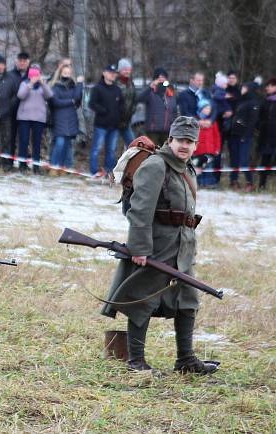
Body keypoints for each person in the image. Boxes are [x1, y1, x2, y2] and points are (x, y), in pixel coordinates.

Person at [102, 116, 218, 376]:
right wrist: (140, 248)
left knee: (188, 300)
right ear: (171, 140)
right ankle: (136, 361)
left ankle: (186, 360)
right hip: (157, 245)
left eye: (190, 142)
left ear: (196, 145)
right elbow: (140, 210)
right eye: (181, 140)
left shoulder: (187, 169)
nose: (185, 146)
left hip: (183, 246)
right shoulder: (156, 165)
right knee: (142, 299)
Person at [16, 64, 53, 174]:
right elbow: (20, 95)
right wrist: (30, 84)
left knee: (37, 143)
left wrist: (42, 83)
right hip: (24, 117)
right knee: (24, 141)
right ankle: (22, 165)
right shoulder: (24, 83)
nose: (35, 76)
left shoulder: (43, 85)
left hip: (39, 118)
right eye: (33, 74)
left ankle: (36, 166)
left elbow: (49, 95)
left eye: (37, 74)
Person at [88, 64, 124, 176]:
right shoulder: (97, 88)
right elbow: (92, 104)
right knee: (96, 149)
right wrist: (104, 110)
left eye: (114, 73)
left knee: (111, 150)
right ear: (104, 73)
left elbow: (122, 104)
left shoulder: (117, 89)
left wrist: (119, 113)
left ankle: (109, 172)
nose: (113, 75)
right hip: (101, 125)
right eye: (110, 73)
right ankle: (94, 172)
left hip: (114, 126)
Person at [48, 64, 83, 172]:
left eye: (68, 73)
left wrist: (80, 84)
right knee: (59, 143)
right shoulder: (55, 86)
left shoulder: (73, 86)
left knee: (68, 145)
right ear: (60, 74)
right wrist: (70, 101)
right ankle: (54, 167)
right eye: (64, 73)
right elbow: (55, 102)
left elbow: (77, 98)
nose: (66, 75)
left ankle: (65, 168)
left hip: (71, 119)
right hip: (59, 118)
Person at [227, 82, 261, 191]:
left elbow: (252, 121)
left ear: (249, 89)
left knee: (244, 160)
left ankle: (249, 182)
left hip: (245, 136)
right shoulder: (240, 100)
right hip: (234, 134)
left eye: (244, 87)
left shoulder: (253, 102)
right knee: (234, 159)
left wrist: (246, 135)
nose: (242, 89)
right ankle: (234, 181)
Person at [139, 67, 177, 146]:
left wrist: (173, 126)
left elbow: (174, 111)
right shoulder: (150, 92)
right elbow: (139, 98)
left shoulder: (170, 92)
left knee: (166, 153)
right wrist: (151, 87)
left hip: (167, 130)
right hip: (153, 130)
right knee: (153, 152)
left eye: (164, 78)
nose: (162, 80)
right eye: (159, 78)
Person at [193, 98, 221, 188]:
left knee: (209, 166)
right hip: (198, 150)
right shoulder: (195, 121)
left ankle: (209, 183)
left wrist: (217, 148)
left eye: (209, 109)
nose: (208, 111)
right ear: (201, 109)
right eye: (206, 108)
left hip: (210, 150)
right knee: (198, 167)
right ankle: (199, 182)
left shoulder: (213, 122)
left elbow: (217, 136)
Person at [258, 78, 276, 190]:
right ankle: (262, 185)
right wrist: (260, 126)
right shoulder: (264, 101)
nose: (267, 88)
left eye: (270, 86)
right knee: (265, 161)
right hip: (265, 138)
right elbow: (259, 117)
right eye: (267, 86)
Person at [117, 58, 137, 145]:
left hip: (126, 122)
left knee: (133, 146)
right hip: (115, 122)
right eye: (125, 69)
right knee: (112, 147)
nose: (127, 71)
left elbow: (134, 99)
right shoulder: (115, 83)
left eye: (128, 69)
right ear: (120, 70)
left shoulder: (131, 83)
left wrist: (133, 110)